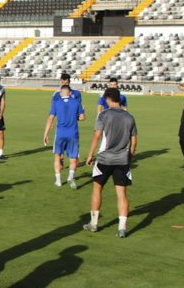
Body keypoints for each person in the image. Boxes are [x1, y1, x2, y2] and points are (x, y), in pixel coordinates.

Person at [83, 88, 137, 238]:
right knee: (122, 194)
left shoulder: (103, 115)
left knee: (97, 189)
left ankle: (94, 223)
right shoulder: (130, 116)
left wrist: (90, 154)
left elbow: (97, 136)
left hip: (104, 159)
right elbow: (134, 142)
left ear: (108, 99)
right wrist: (130, 157)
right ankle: (122, 228)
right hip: (122, 159)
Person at [44, 84, 86, 188]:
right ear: (70, 93)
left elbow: (50, 119)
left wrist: (46, 134)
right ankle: (70, 177)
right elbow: (82, 117)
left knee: (57, 156)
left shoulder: (56, 103)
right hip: (73, 133)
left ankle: (58, 180)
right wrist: (74, 116)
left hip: (60, 134)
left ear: (60, 93)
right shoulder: (76, 102)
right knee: (72, 158)